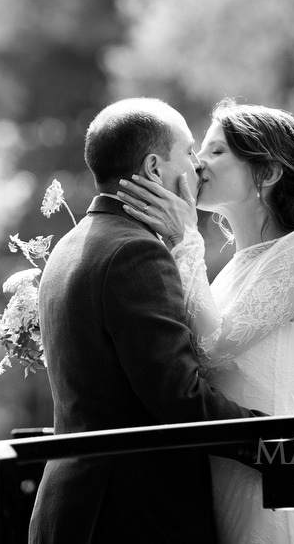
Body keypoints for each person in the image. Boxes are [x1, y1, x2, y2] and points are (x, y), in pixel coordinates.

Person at [29, 97, 262, 544]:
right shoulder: (136, 251)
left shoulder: (70, 245)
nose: (197, 165)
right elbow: (177, 396)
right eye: (189, 152)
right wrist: (275, 439)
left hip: (73, 508)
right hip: (129, 514)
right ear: (155, 168)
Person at [117, 99, 294, 544]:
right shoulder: (229, 269)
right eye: (200, 150)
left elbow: (212, 347)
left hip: (260, 480)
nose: (198, 163)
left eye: (216, 151)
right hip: (207, 474)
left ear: (267, 172)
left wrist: (186, 239)